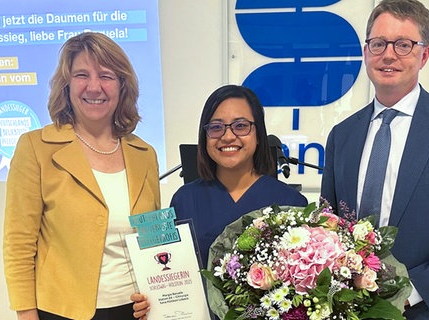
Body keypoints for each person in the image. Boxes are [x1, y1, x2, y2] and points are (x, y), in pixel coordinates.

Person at [320, 0, 429, 319]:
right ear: (366, 52)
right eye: (378, 44)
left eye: (403, 44)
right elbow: (327, 223)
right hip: (346, 310)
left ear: (424, 54)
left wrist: (410, 291)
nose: (389, 55)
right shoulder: (341, 135)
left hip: (423, 309)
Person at [3, 32, 161, 320]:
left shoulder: (144, 154)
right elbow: (19, 245)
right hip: (61, 312)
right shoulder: (36, 148)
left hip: (135, 311)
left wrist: (158, 295)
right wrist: (26, 315)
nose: (94, 86)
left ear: (122, 85)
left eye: (106, 76)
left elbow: (151, 238)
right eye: (81, 75)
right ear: (67, 84)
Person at [131, 84, 308, 319]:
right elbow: (167, 273)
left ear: (258, 134)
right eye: (216, 127)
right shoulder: (184, 199)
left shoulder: (290, 203)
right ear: (205, 136)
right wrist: (153, 303)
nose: (227, 136)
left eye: (241, 126)